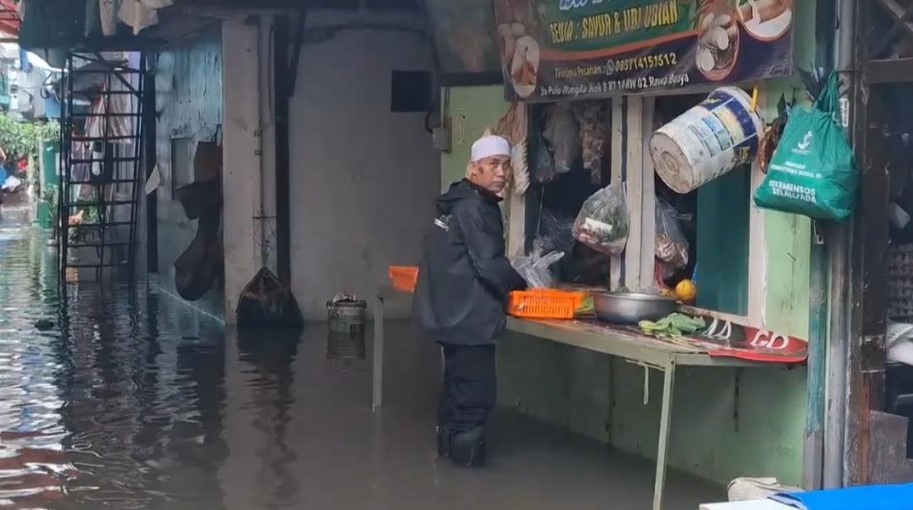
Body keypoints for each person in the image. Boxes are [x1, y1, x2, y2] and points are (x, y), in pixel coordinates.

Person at [413, 135, 528, 468]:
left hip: (450, 317)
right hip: (469, 320)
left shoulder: (457, 203)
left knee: (455, 392)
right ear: (473, 169)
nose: (502, 173)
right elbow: (489, 263)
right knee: (475, 398)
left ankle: (446, 466)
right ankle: (467, 478)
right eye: (492, 165)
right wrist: (523, 286)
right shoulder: (475, 208)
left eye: (505, 165)